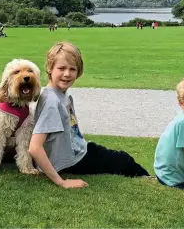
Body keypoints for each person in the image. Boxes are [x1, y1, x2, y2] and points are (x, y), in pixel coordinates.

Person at [28, 42, 150, 189]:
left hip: (77, 150)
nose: (67, 74)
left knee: (117, 157)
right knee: (124, 161)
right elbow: (35, 148)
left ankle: (148, 178)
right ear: (49, 68)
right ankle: (151, 181)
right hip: (70, 162)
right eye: (61, 68)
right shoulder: (52, 101)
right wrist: (62, 182)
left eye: (72, 69)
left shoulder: (59, 94)